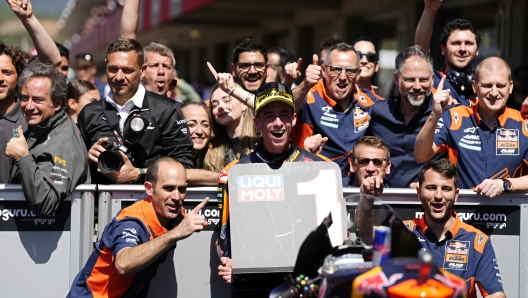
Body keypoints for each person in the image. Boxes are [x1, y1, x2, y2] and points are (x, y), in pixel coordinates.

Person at [216, 82, 330, 290]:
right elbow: (223, 230)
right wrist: (230, 260)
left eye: (284, 114)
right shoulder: (234, 172)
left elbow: (333, 230)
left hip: (306, 281)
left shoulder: (320, 167)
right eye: (269, 115)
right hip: (252, 281)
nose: (278, 123)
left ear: (293, 120)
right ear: (257, 123)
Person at [356, 159, 505, 298]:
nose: (438, 195)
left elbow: (496, 295)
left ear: (456, 195)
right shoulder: (403, 232)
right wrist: (365, 199)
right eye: (431, 188)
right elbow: (365, 234)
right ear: (419, 193)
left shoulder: (477, 240)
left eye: (446, 189)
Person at [67, 156, 209, 297]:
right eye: (169, 188)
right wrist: (175, 234)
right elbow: (123, 264)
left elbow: (194, 175)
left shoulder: (171, 210)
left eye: (182, 189)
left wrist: (225, 176)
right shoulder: (131, 221)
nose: (177, 196)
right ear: (149, 189)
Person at [77, 37, 194, 184]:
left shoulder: (167, 110)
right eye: (113, 69)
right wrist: (87, 158)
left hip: (149, 205)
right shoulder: (89, 113)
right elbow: (70, 166)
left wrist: (139, 174)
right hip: (100, 205)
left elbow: (184, 165)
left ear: (142, 70)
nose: (119, 77)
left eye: (127, 70)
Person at [415, 57, 528, 197]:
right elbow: (421, 155)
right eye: (487, 85)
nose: (493, 92)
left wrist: (505, 184)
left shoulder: (523, 123)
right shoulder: (454, 118)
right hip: (462, 214)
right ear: (475, 86)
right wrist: (434, 115)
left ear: (510, 87)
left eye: (500, 86)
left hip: (511, 215)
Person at [5, 63, 90, 217]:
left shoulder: (62, 141)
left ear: (57, 103)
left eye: (38, 100)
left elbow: (45, 203)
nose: (29, 106)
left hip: (53, 236)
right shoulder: (43, 126)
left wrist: (22, 157)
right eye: (24, 98)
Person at [292, 42, 379, 186]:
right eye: (336, 70)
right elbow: (285, 110)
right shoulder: (308, 97)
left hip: (356, 193)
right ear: (324, 71)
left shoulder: (369, 103)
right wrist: (304, 85)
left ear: (358, 74)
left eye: (350, 70)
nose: (343, 77)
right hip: (312, 186)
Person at [368, 45, 441, 188]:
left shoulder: (445, 115)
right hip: (383, 200)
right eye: (410, 79)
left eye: (424, 79)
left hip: (427, 204)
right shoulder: (377, 112)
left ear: (432, 79)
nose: (417, 86)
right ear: (396, 78)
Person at [415, 0, 480, 106]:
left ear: (477, 50)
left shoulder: (484, 87)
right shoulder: (432, 81)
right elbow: (419, 52)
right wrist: (429, 10)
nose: (462, 49)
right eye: (456, 43)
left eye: (468, 43)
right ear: (443, 49)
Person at [203, 84, 257, 172]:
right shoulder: (209, 148)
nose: (220, 107)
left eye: (227, 100)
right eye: (215, 105)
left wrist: (232, 88)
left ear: (244, 104)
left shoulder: (262, 138)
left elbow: (266, 107)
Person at [181, 102, 218, 185]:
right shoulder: (165, 154)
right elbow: (179, 174)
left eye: (205, 125)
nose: (199, 131)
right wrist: (225, 177)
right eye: (191, 125)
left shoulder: (215, 157)